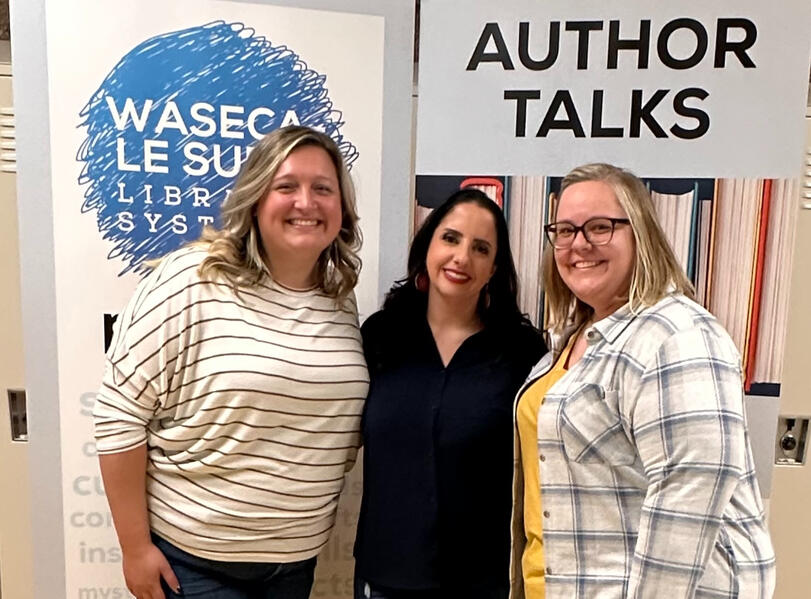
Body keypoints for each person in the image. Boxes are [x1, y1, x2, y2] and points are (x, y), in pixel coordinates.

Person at [93, 125, 368, 599]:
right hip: (195, 564)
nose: (306, 202)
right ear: (255, 199)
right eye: (287, 186)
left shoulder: (340, 301)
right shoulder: (190, 280)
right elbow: (119, 414)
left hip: (295, 564)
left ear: (341, 210)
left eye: (323, 188)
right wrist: (134, 548)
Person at [512, 163, 776, 598]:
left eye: (600, 227)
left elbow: (689, 490)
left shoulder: (676, 335)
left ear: (641, 234)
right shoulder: (573, 339)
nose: (579, 244)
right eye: (564, 230)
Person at [354, 188, 547, 599]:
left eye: (481, 248)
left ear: (495, 267)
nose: (462, 258)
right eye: (451, 238)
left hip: (483, 582)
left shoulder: (523, 352)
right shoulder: (380, 337)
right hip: (385, 576)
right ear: (428, 245)